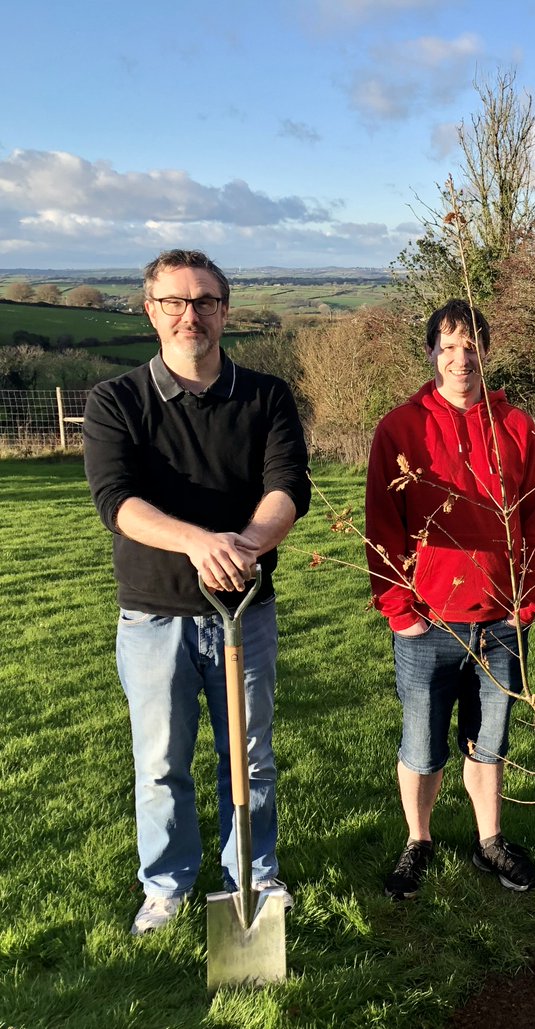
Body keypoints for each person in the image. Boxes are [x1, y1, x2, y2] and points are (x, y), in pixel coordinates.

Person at [83, 249, 310, 935]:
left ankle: (256, 873)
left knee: (251, 758)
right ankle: (167, 884)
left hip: (246, 612)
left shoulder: (266, 396)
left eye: (205, 301)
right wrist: (197, 541)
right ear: (151, 311)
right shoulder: (115, 401)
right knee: (160, 762)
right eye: (176, 301)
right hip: (154, 616)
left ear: (225, 312)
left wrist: (245, 543)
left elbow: (287, 487)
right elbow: (116, 500)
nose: (192, 315)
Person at [365, 299, 535, 899]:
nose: (460, 359)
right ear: (431, 354)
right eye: (448, 347)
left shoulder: (517, 428)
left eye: (471, 347)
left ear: (486, 354)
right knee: (422, 745)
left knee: (490, 738)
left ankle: (489, 841)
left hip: (501, 619)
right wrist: (400, 608)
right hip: (429, 622)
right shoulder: (400, 429)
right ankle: (418, 841)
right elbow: (383, 525)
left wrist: (529, 599)